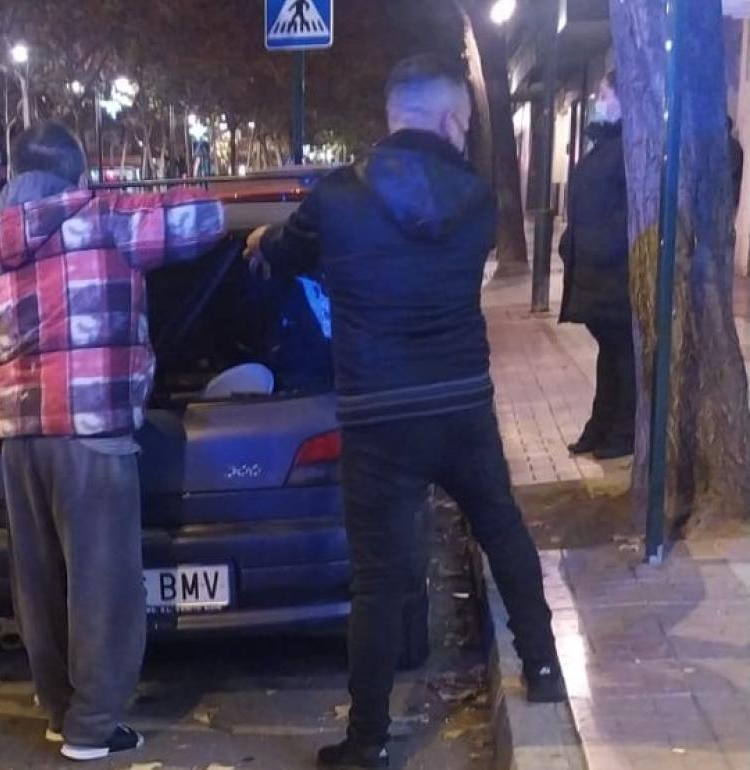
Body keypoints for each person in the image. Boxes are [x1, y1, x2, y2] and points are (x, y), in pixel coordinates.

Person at [245, 56, 564, 769]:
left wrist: (265, 243)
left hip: (377, 416)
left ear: (393, 116)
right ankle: (542, 668)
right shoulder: (479, 201)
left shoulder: (336, 198)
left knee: (379, 580)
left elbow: (291, 254)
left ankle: (368, 740)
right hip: (459, 403)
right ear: (452, 119)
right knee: (503, 532)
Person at [0, 122, 225, 762]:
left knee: (40, 583)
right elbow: (205, 219)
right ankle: (92, 729)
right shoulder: (107, 219)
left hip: (18, 435)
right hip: (89, 429)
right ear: (77, 174)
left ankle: (62, 712)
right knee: (103, 584)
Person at [559, 72, 635, 460]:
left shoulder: (630, 146)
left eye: (604, 94)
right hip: (596, 272)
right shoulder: (606, 144)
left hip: (615, 274)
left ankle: (622, 432)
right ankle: (602, 427)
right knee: (611, 354)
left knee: (623, 354)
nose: (598, 100)